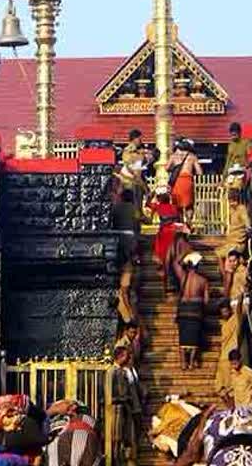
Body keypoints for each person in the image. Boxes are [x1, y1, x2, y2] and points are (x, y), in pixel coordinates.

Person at [172, 251, 209, 370]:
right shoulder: (203, 280)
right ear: (198, 266)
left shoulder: (182, 277)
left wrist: (185, 256)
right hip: (195, 310)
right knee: (194, 338)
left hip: (183, 310)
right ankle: (192, 362)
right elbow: (206, 301)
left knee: (183, 337)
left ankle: (183, 362)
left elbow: (175, 263)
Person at [112, 189, 140, 324]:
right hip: (131, 239)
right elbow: (141, 220)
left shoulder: (116, 208)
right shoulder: (133, 208)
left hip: (117, 240)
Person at [111, 346, 141, 466]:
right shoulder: (113, 371)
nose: (129, 358)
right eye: (126, 355)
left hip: (127, 409)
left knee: (127, 438)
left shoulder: (123, 371)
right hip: (117, 411)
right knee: (117, 438)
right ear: (121, 356)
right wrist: (124, 398)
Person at [215, 187, 251, 284]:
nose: (231, 203)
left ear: (237, 199)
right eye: (230, 200)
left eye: (233, 200)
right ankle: (225, 277)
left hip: (237, 244)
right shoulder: (231, 210)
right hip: (231, 241)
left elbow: (248, 226)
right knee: (218, 253)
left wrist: (246, 238)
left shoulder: (241, 209)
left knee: (228, 264)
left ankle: (226, 278)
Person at [166, 138, 202, 225]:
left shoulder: (174, 156)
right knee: (189, 205)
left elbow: (167, 168)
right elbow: (199, 172)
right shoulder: (192, 156)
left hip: (177, 182)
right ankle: (189, 223)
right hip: (188, 182)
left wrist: (174, 169)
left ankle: (181, 226)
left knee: (178, 206)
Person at [147, 185, 182, 270]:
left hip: (164, 231)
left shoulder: (158, 206)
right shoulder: (174, 207)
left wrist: (153, 193)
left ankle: (162, 261)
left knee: (160, 242)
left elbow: (147, 204)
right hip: (174, 230)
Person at [215, 298, 241, 398]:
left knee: (230, 389)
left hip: (231, 358)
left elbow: (238, 311)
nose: (224, 314)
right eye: (223, 312)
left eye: (226, 311)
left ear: (230, 311)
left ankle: (233, 411)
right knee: (222, 389)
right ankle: (231, 410)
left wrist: (241, 297)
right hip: (223, 359)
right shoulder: (223, 324)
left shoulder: (234, 320)